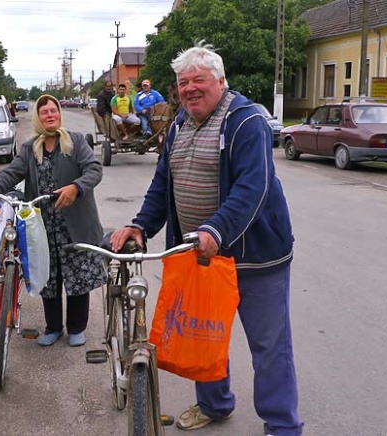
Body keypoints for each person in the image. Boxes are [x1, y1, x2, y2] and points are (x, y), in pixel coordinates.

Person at [110, 41, 303, 436]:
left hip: (255, 257)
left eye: (199, 80)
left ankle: (282, 426)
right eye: (183, 83)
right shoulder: (180, 123)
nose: (190, 89)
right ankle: (215, 405)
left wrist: (216, 229)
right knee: (204, 338)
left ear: (220, 81)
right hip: (199, 256)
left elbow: (254, 187)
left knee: (269, 348)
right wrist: (141, 226)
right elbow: (163, 186)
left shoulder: (246, 121)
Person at [0, 94, 105, 348]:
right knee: (48, 277)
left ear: (59, 114)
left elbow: (94, 170)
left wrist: (76, 187)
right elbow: (12, 173)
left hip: (74, 224)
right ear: (38, 118)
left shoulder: (75, 142)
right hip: (42, 227)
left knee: (77, 277)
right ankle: (53, 327)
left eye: (53, 110)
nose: (50, 115)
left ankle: (77, 328)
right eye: (44, 112)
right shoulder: (30, 148)